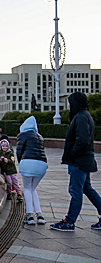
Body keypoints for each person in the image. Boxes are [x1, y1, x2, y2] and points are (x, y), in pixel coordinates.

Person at [50, 92, 101, 231]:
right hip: (84, 160)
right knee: (86, 188)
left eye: (70, 102)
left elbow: (82, 140)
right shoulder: (84, 115)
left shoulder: (81, 117)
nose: (69, 105)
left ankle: (69, 222)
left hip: (79, 161)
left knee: (76, 191)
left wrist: (71, 154)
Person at [17, 116, 48, 225]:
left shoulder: (23, 135)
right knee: (33, 189)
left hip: (28, 163)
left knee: (27, 188)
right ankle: (40, 215)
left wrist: (20, 163)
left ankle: (29, 215)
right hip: (42, 164)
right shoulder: (40, 136)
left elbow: (19, 151)